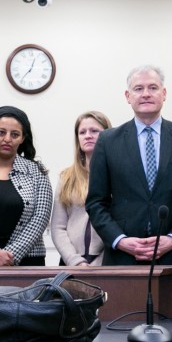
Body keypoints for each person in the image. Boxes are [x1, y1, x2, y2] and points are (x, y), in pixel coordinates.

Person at [86, 65, 172, 265]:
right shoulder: (107, 141)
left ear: (164, 93)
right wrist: (120, 240)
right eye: (138, 88)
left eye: (153, 88)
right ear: (128, 96)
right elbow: (96, 202)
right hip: (122, 257)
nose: (145, 94)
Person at [0, 106, 53, 266]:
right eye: (1, 132)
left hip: (29, 260)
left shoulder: (38, 172)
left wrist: (9, 257)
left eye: (15, 134)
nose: (7, 139)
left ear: (23, 138)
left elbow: (40, 219)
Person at [51, 111, 112, 266]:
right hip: (71, 263)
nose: (88, 136)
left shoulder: (118, 176)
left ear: (108, 135)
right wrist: (75, 261)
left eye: (94, 131)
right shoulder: (66, 177)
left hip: (107, 262)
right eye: (82, 132)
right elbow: (58, 228)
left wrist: (99, 263)